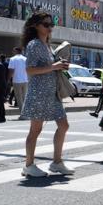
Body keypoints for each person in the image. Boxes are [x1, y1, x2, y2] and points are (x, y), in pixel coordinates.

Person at [20, 11, 73, 178]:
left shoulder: (47, 45)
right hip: (39, 93)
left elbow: (51, 67)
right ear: (35, 26)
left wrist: (60, 66)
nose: (50, 28)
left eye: (51, 24)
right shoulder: (34, 44)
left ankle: (57, 162)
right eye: (46, 24)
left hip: (52, 93)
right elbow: (29, 70)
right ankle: (28, 165)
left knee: (64, 125)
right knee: (35, 130)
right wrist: (54, 67)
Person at [8, 46, 28, 119]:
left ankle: (23, 115)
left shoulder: (12, 59)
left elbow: (11, 71)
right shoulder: (25, 59)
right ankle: (26, 113)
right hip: (25, 80)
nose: (13, 52)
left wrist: (8, 79)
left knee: (19, 98)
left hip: (17, 80)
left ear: (16, 51)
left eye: (13, 51)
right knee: (25, 98)